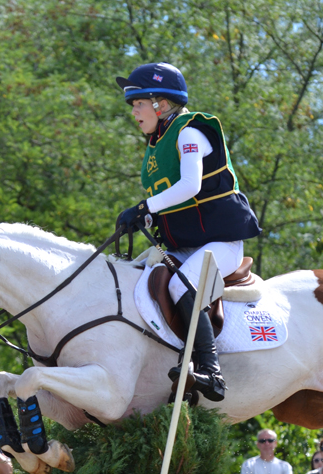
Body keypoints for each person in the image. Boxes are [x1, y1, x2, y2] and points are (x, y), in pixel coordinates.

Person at [115, 62, 261, 402]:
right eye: (132, 104)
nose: (133, 111)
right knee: (135, 273)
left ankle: (210, 372)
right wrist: (144, 219)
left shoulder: (189, 132)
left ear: (161, 104)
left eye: (139, 103)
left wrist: (144, 207)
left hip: (221, 243)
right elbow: (168, 203)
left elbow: (191, 185)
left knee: (182, 284)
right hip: (187, 246)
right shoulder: (156, 145)